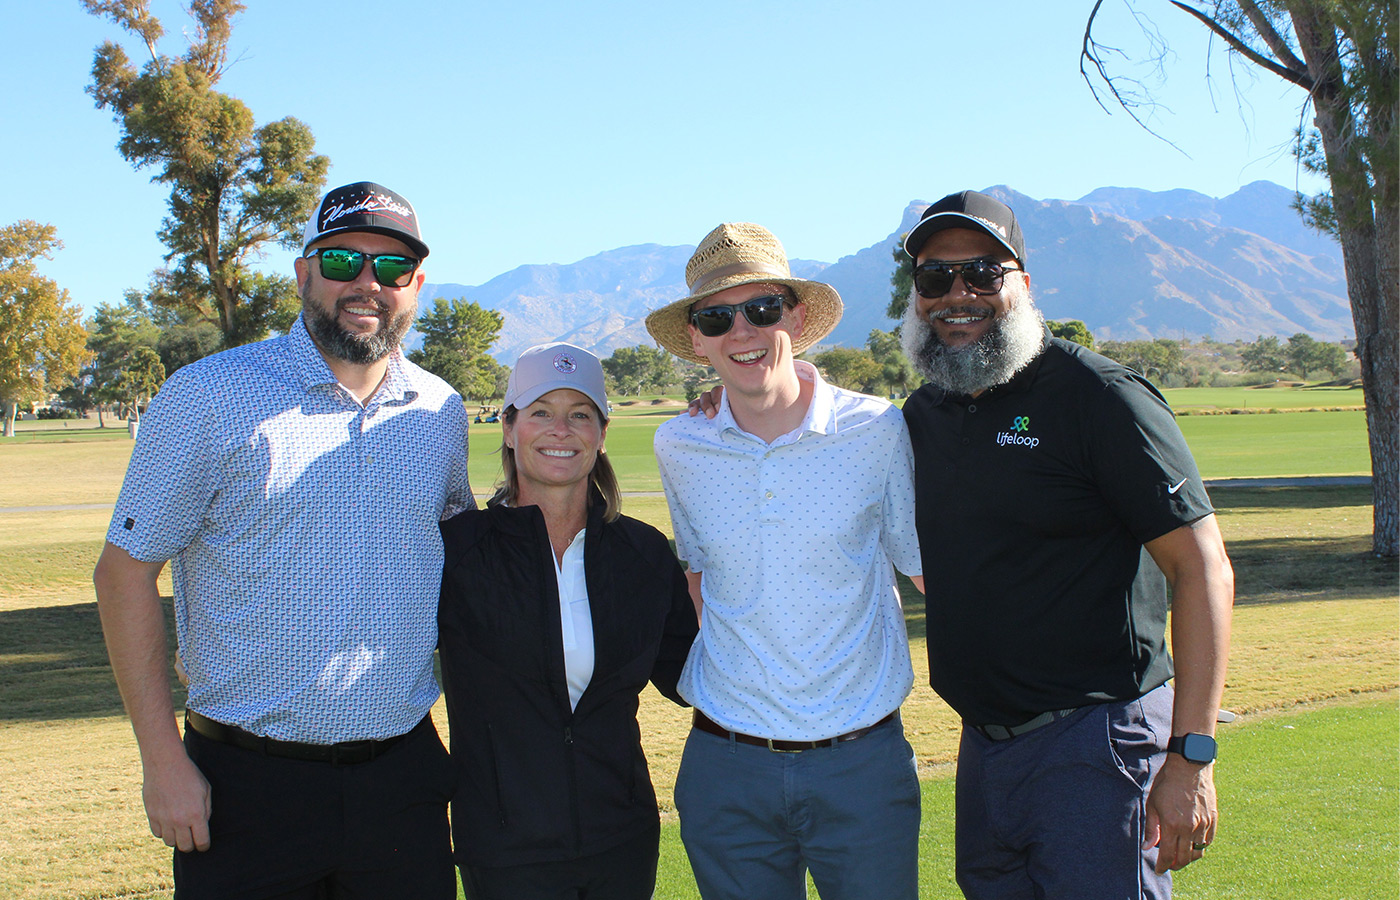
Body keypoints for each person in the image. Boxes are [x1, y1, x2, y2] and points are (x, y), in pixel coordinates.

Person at [92, 181, 473, 899]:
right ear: (304, 275)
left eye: (391, 269)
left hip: (403, 784)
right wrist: (162, 761)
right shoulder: (208, 394)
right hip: (245, 788)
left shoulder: (440, 409)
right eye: (343, 263)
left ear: (415, 286)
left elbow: (463, 548)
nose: (368, 284)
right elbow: (122, 575)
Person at [898, 189, 1234, 898]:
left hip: (1099, 742)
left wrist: (1192, 757)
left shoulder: (1100, 397)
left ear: (1023, 281)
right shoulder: (925, 412)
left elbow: (1202, 568)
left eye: (983, 272)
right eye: (935, 277)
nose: (958, 294)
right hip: (985, 750)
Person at [644, 223, 925, 900]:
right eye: (717, 318)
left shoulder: (878, 430)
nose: (741, 332)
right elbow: (697, 576)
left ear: (796, 317)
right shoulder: (679, 446)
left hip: (861, 763)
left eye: (761, 309)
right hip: (725, 763)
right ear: (697, 340)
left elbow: (927, 571)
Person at [437, 342, 699, 900]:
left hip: (620, 839)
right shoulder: (457, 552)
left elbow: (691, 677)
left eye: (579, 414)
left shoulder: (642, 553)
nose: (561, 430)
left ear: (601, 434)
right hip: (504, 847)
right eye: (540, 413)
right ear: (508, 428)